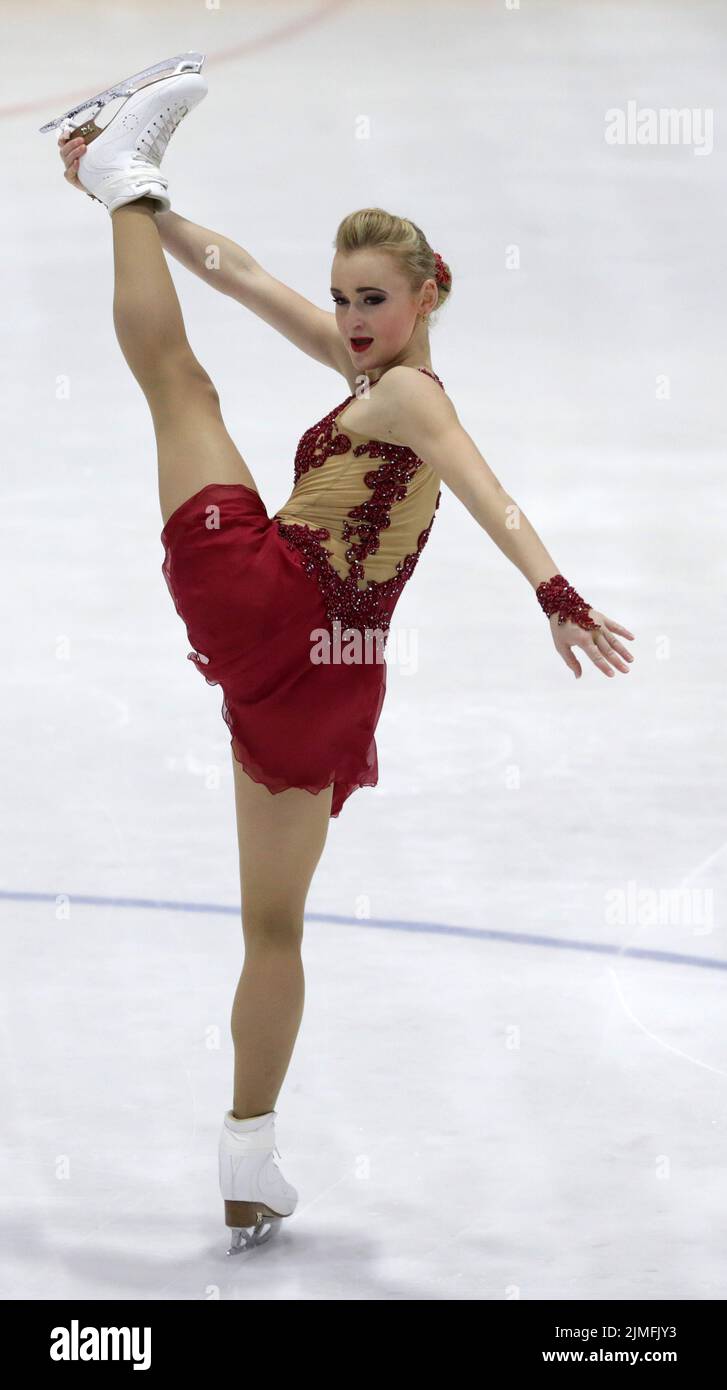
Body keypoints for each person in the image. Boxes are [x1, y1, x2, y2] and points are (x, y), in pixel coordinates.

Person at [49, 53, 635, 1252]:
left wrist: (554, 591)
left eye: (371, 298)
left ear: (424, 298)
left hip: (271, 602)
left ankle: (119, 179)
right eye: (346, 298)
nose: (353, 319)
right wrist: (144, 209)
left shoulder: (413, 397)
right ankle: (248, 1159)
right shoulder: (373, 372)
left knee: (177, 386)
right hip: (334, 671)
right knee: (276, 930)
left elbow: (487, 490)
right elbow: (248, 278)